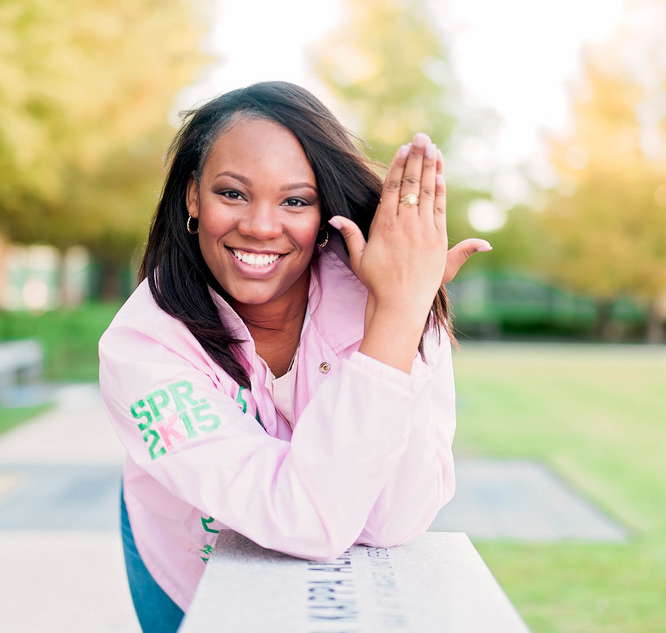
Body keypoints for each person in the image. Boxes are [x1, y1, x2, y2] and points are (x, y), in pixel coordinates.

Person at [99, 81, 491, 633]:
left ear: (322, 208)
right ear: (192, 196)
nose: (260, 226)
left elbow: (392, 518)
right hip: (187, 556)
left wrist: (395, 316)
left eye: (295, 200)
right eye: (232, 193)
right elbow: (308, 520)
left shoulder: (394, 295)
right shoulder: (143, 346)